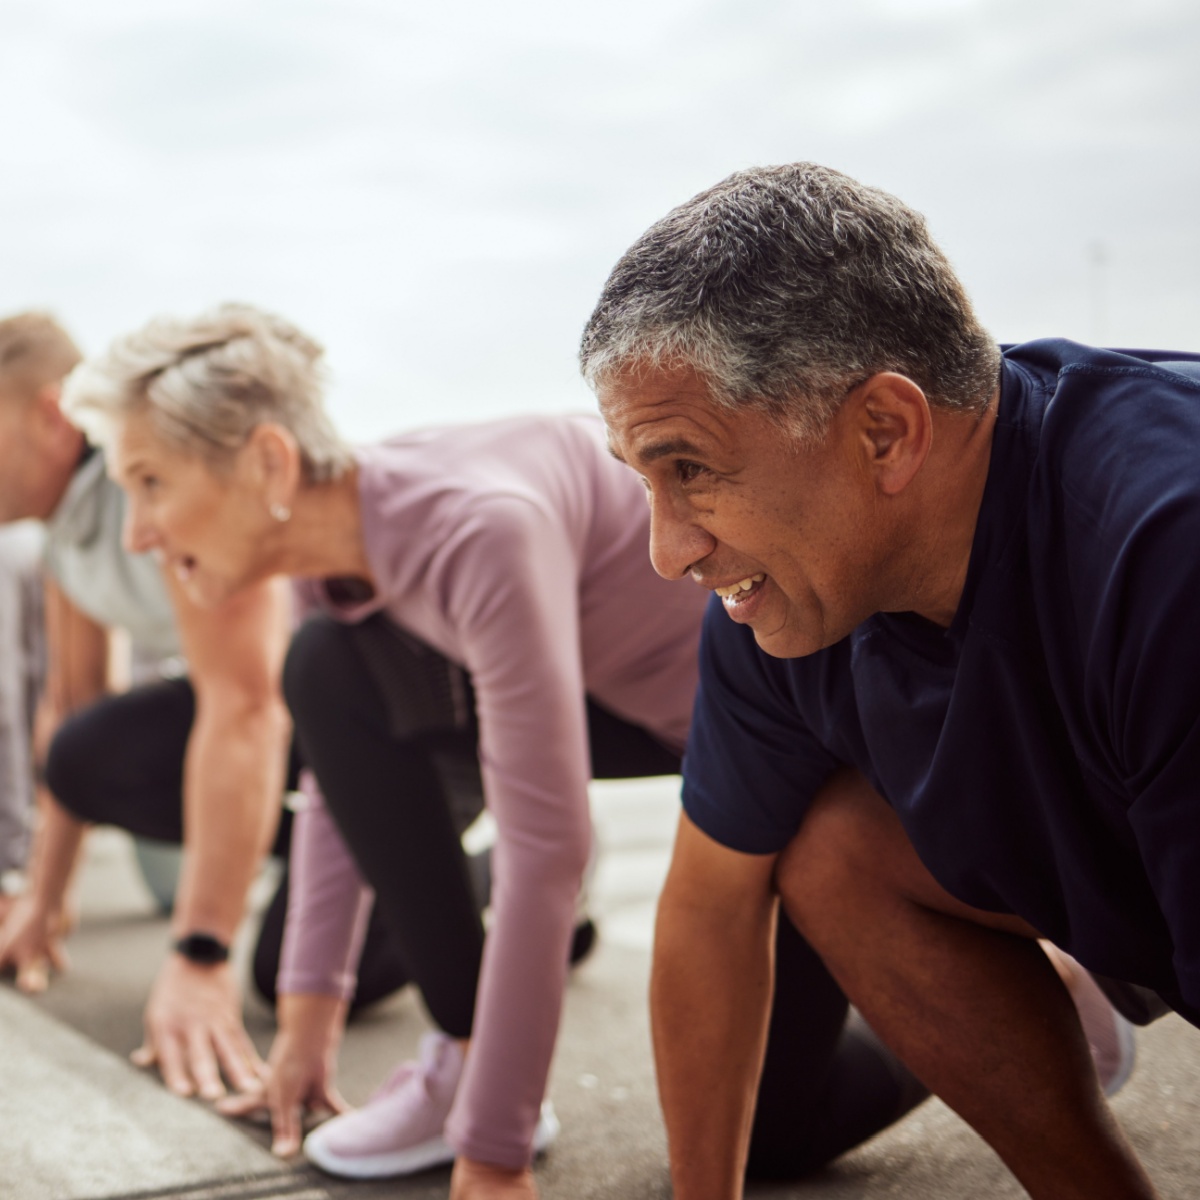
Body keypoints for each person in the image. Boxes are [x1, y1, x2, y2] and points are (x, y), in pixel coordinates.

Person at [56, 302, 920, 1200]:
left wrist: (496, 1156)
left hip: (789, 738)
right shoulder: (323, 557)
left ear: (270, 462)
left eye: (150, 484)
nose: (137, 534)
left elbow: (546, 847)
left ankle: (1036, 1002)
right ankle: (463, 1051)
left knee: (778, 1131)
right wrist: (306, 1026)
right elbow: (335, 795)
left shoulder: (481, 527)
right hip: (628, 703)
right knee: (326, 671)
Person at [582, 162, 1199, 1200]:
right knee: (828, 850)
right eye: (641, 478)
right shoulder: (781, 596)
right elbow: (711, 911)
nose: (667, 549)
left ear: (885, 431)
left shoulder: (1162, 545)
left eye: (688, 468)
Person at [0, 311, 296, 1098]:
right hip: (252, 735)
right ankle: (320, 855)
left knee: (279, 971)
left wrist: (200, 954)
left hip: (338, 718)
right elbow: (73, 704)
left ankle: (494, 869)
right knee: (82, 747)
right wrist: (42, 900)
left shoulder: (148, 478)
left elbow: (248, 705)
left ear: (49, 412)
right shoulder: (63, 530)